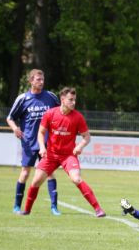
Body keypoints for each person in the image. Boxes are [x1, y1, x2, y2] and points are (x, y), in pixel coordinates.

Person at [20, 87, 106, 217]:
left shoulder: (78, 117)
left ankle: (98, 209)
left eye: (74, 100)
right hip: (51, 155)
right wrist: (42, 147)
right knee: (36, 181)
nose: (73, 102)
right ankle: (26, 210)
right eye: (70, 100)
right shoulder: (50, 113)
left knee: (76, 179)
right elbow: (41, 132)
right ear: (62, 100)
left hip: (68, 155)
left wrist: (80, 146)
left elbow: (87, 137)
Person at [7, 69, 61, 215]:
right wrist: (15, 129)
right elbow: (10, 117)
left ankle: (54, 207)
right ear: (31, 81)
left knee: (50, 173)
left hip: (47, 143)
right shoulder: (23, 99)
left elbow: (61, 113)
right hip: (29, 142)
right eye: (38, 79)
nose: (41, 82)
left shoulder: (51, 97)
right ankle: (17, 206)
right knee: (25, 173)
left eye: (42, 79)